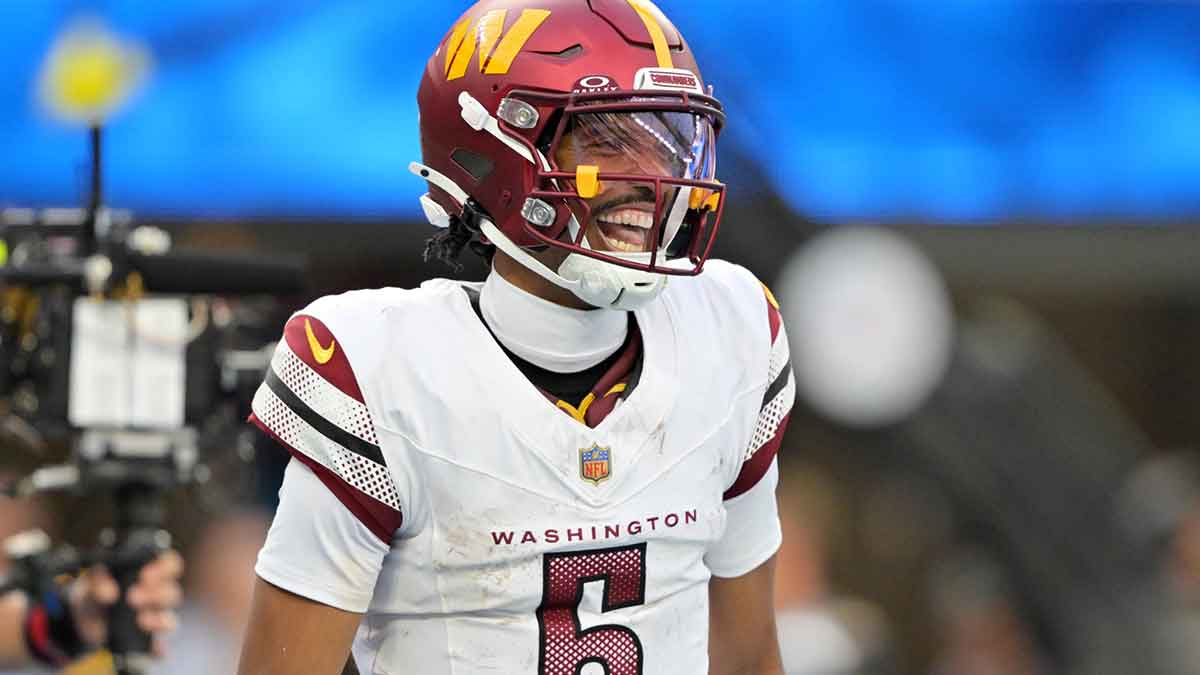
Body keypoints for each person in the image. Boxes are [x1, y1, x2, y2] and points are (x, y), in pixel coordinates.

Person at [238, 1, 794, 673]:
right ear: (497, 153)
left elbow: (748, 655)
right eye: (608, 139)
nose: (652, 175)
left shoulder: (730, 332)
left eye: (668, 136)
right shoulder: (380, 371)